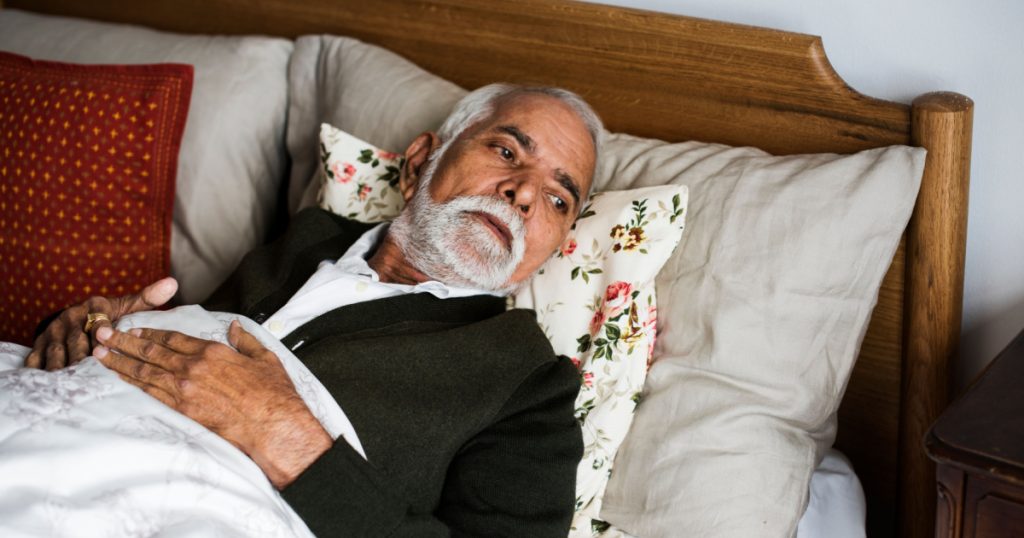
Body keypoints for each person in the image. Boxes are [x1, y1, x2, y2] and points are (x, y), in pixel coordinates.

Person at [25, 83, 602, 537]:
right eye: (506, 151)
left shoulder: (530, 385)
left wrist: (294, 445)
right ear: (420, 161)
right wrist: (98, 330)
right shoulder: (306, 239)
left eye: (558, 198)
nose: (524, 193)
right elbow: (188, 354)